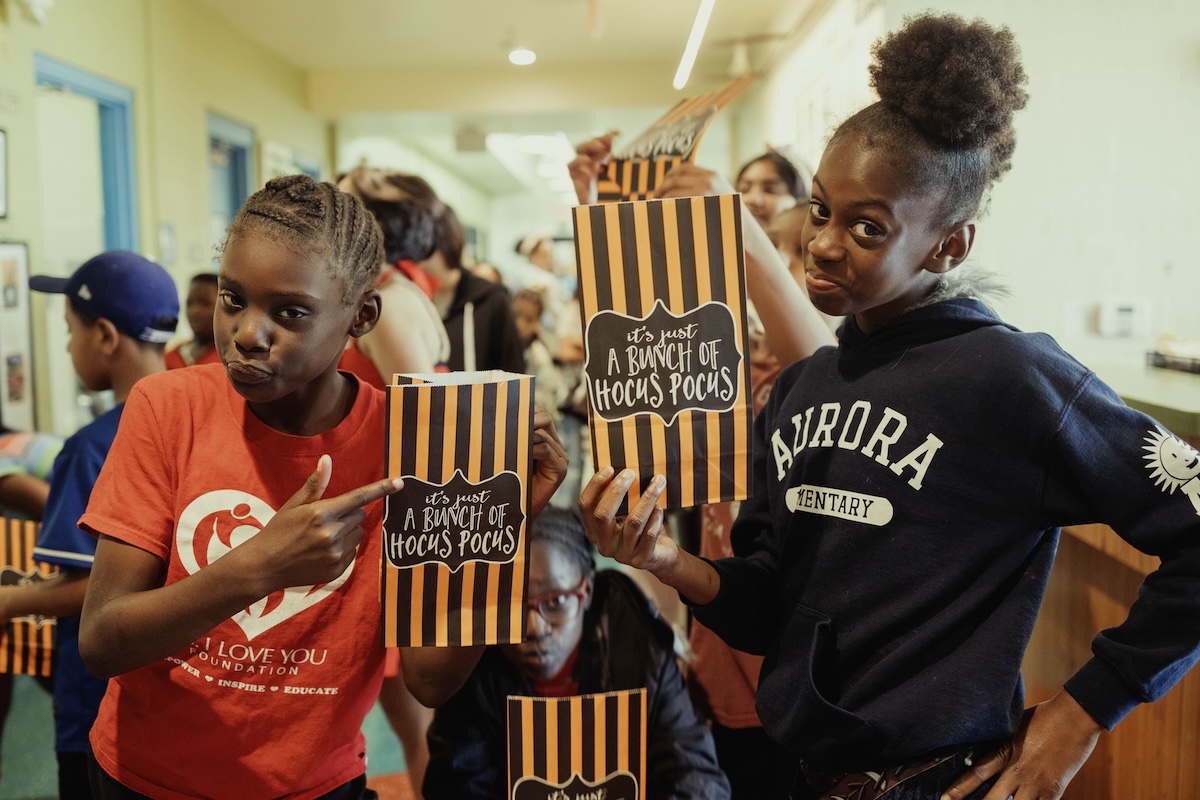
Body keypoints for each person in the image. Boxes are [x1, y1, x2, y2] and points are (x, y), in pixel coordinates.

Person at [579, 13, 1200, 800]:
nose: (826, 243)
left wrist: (1082, 713)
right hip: (810, 774)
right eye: (820, 210)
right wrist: (660, 559)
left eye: (867, 227)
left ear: (948, 247)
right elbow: (770, 604)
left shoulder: (1009, 376)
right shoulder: (804, 388)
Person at [75, 175, 566, 798]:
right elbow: (102, 639)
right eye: (233, 299)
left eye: (290, 312)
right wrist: (261, 566)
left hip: (316, 784)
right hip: (145, 779)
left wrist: (498, 525)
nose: (248, 333)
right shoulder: (168, 406)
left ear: (361, 316)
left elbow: (431, 681)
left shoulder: (411, 444)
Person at [0, 250, 178, 800]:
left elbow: (88, 586)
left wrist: (9, 602)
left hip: (99, 709)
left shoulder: (92, 448)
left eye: (68, 331)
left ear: (104, 335)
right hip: (176, 699)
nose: (67, 346)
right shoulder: (196, 418)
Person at [423, 507, 730, 800]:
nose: (535, 627)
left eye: (556, 602)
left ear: (587, 592)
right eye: (512, 607)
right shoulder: (472, 663)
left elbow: (696, 777)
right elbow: (456, 785)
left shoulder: (637, 645)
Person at [336, 166, 450, 385]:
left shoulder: (387, 305)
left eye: (343, 209)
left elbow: (422, 413)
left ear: (373, 224)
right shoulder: (384, 290)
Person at [420, 200, 524, 373]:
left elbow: (514, 370)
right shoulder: (413, 299)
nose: (418, 260)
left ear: (447, 244)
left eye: (424, 248)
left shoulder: (491, 299)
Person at [165, 272, 220, 369]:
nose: (194, 311)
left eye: (204, 303)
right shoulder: (172, 356)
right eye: (189, 303)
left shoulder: (227, 362)